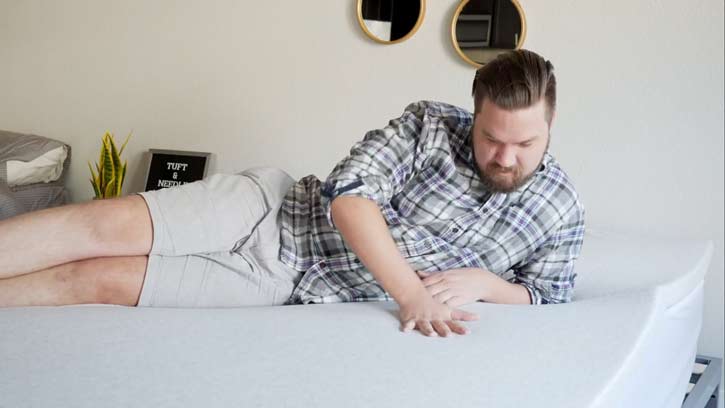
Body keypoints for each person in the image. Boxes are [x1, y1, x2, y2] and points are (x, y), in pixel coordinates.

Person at [0, 49, 585, 338]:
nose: (505, 157)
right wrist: (411, 293)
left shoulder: (559, 209)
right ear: (474, 114)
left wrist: (488, 284)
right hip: (269, 211)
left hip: (287, 285)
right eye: (491, 138)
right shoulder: (431, 124)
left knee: (97, 281)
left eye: (525, 144)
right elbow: (348, 195)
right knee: (98, 228)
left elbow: (547, 294)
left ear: (552, 125)